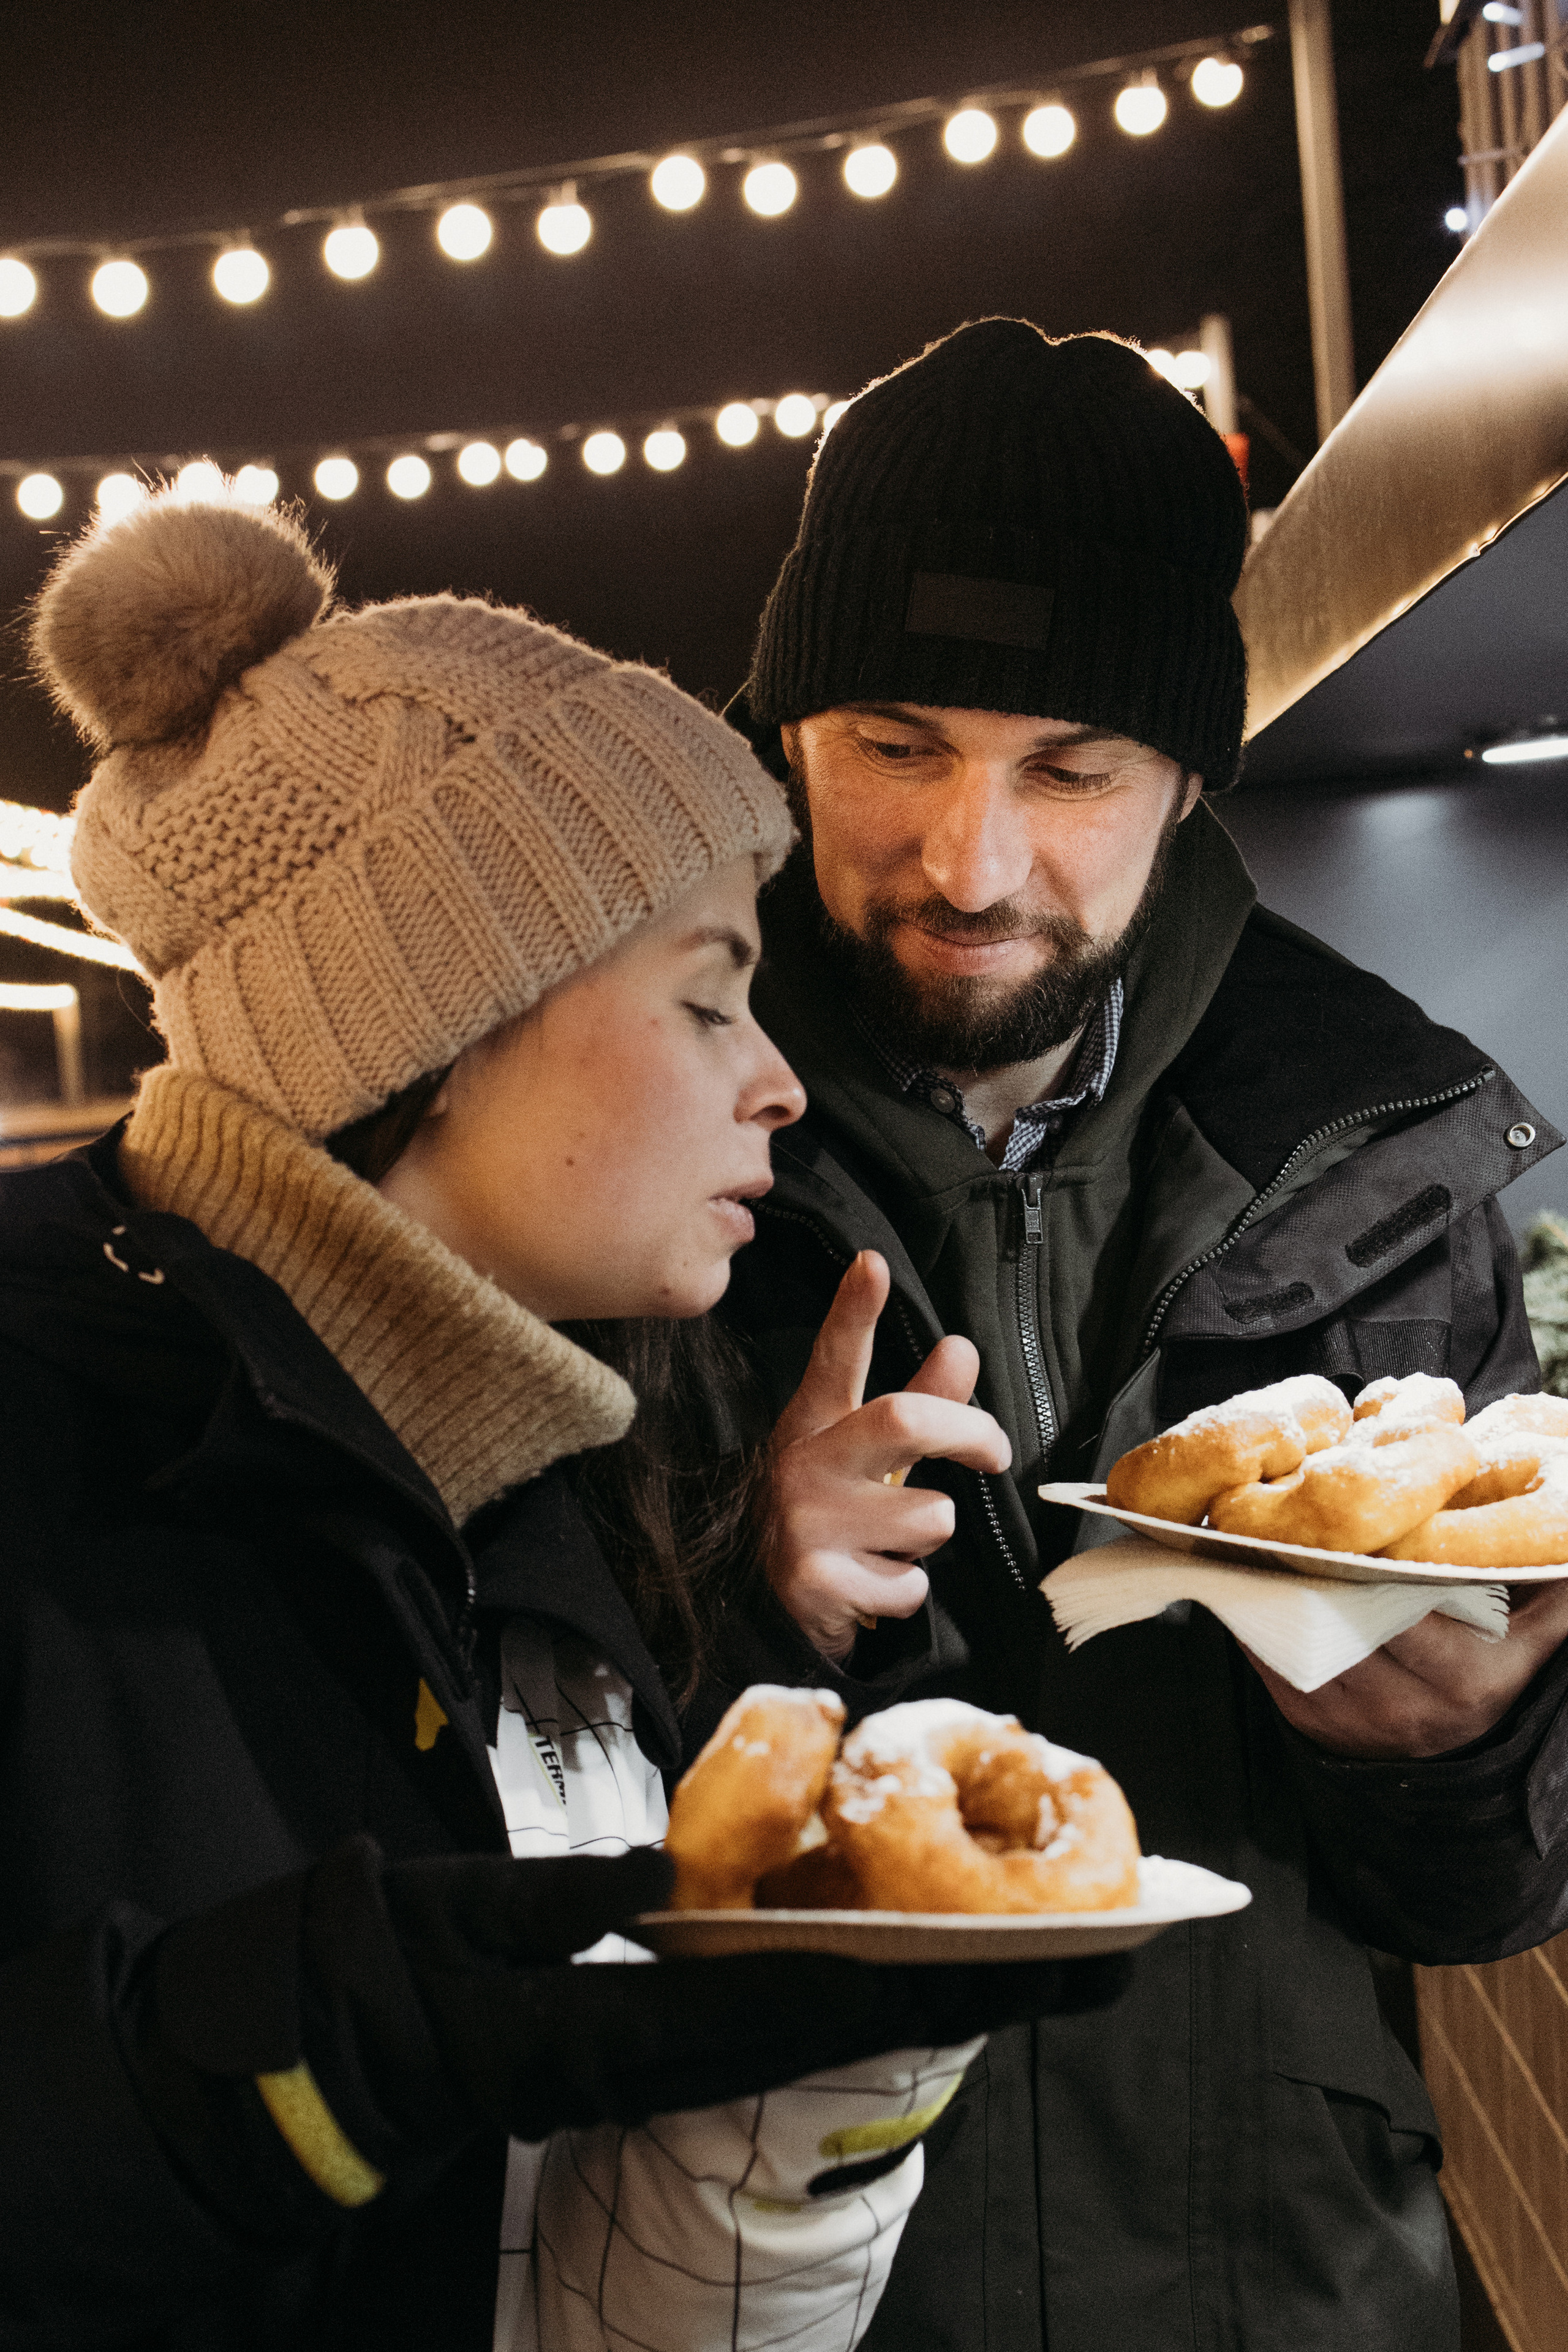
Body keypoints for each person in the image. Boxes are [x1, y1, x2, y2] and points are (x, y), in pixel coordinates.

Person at [0, 489, 1125, 2352]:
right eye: (707, 1001)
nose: (779, 1087)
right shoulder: (52, 1430)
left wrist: (820, 2061)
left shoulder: (531, 1478)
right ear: (420, 1030)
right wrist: (278, 2063)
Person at [714, 318, 1568, 2351]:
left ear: (1191, 776)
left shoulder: (1390, 1143)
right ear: (788, 733)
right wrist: (730, 1601)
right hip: (781, 2276)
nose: (970, 864)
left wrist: (1462, 1751)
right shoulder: (635, 1123)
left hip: (1280, 2281)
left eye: (1073, 770)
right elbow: (432, 1814)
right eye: (895, 745)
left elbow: (1487, 1901)